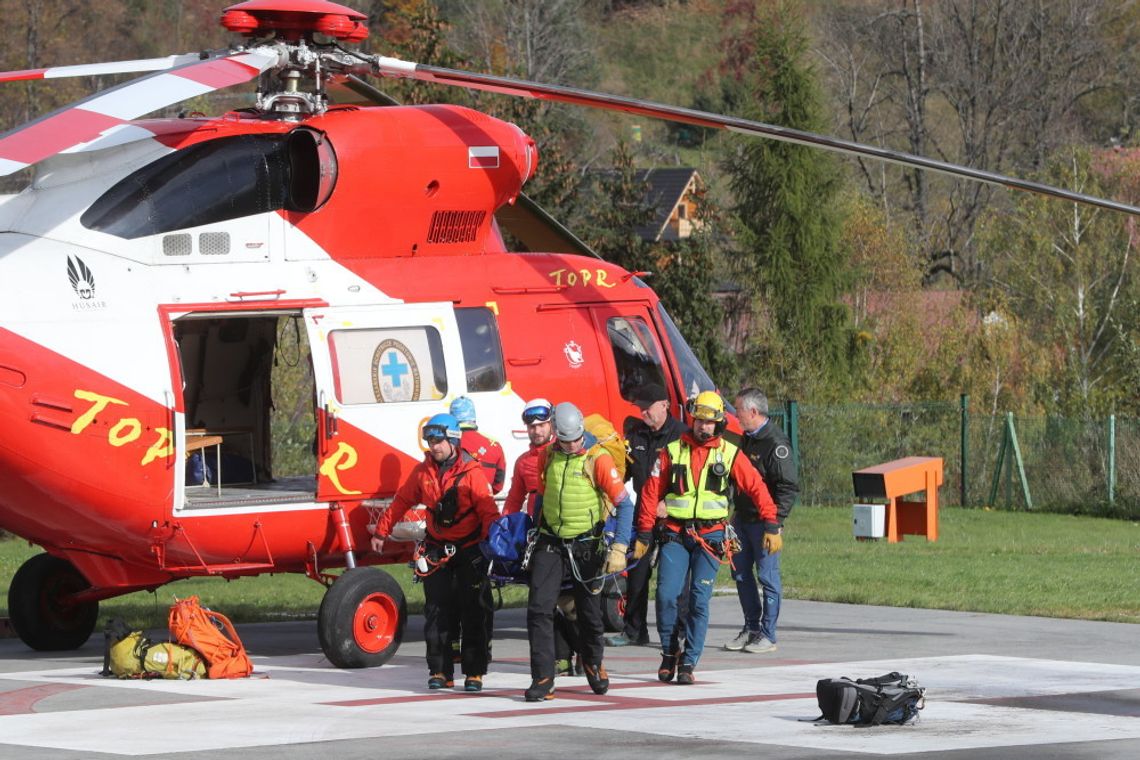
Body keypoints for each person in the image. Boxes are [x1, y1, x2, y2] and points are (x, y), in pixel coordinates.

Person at [634, 391, 778, 685]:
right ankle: (669, 650)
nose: (703, 427)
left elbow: (756, 487)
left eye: (709, 422)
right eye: (699, 421)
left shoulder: (729, 453)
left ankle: (689, 661)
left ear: (719, 424)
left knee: (699, 600)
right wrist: (644, 532)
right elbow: (650, 492)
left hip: (711, 538)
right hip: (675, 533)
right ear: (693, 419)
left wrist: (772, 523)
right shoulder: (671, 451)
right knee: (665, 595)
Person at [370, 413, 499, 692]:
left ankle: (474, 672)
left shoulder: (473, 473)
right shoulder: (423, 472)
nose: (434, 446)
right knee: (437, 610)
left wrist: (493, 546)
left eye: (439, 440)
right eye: (430, 441)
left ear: (453, 440)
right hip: (436, 549)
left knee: (473, 610)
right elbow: (402, 501)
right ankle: (440, 670)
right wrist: (382, 531)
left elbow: (489, 512)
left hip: (470, 550)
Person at [524, 402, 634, 702]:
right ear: (555, 435)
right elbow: (541, 497)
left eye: (576, 439)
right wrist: (533, 531)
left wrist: (619, 548)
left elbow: (624, 505)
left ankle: (593, 662)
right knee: (538, 609)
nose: (572, 445)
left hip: (587, 544)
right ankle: (543, 678)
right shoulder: (547, 456)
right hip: (550, 540)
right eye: (566, 440)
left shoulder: (597, 459)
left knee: (588, 612)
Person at [605, 382, 685, 648]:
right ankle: (634, 630)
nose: (643, 414)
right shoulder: (637, 434)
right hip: (644, 515)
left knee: (676, 579)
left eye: (647, 408)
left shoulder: (682, 436)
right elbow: (626, 470)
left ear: (664, 405)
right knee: (637, 573)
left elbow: (694, 481)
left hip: (676, 516)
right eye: (640, 409)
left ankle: (681, 631)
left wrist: (669, 502)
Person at [723, 387, 800, 654]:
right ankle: (751, 628)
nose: (736, 415)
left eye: (739, 410)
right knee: (740, 574)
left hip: (764, 524)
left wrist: (774, 524)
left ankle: (768, 635)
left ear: (753, 412)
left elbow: (788, 487)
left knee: (767, 577)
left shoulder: (775, 444)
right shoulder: (745, 439)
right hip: (741, 520)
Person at [503, 398, 554, 517]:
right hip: (538, 527)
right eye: (532, 426)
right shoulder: (522, 462)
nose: (536, 431)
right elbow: (514, 500)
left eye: (541, 425)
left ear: (551, 424)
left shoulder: (563, 453)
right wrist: (504, 524)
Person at [450, 396, 507, 494]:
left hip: (454, 505)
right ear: (474, 418)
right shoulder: (495, 445)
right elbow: (498, 485)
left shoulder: (446, 444)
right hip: (485, 502)